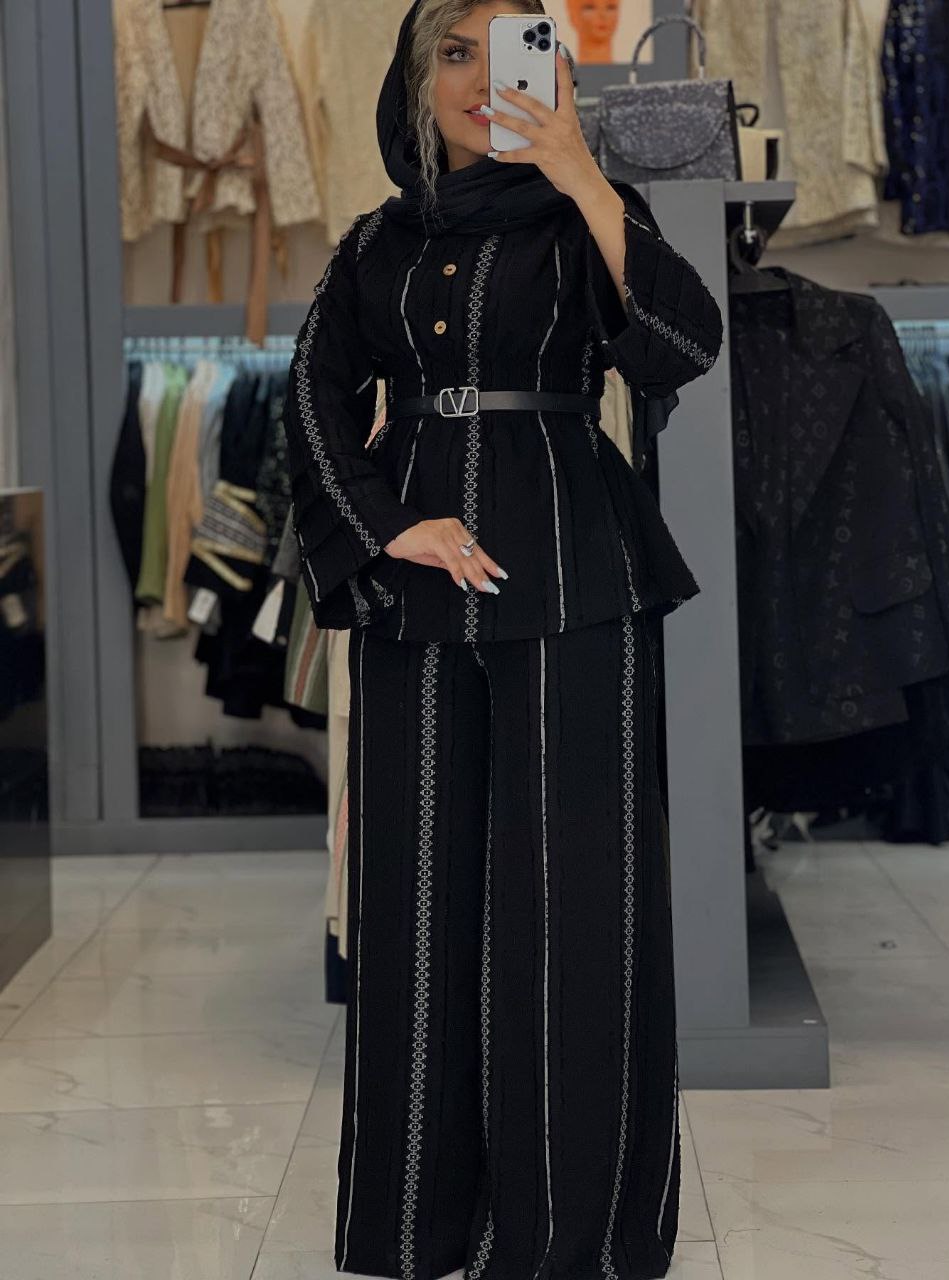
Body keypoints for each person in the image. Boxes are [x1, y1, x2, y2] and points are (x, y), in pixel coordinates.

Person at [282, 2, 723, 1276]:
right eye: (453, 54)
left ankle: (570, 1237)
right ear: (415, 82)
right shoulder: (376, 243)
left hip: (575, 569)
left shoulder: (585, 218)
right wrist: (385, 527)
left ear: (557, 74)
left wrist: (582, 171)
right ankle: (419, 1225)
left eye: (511, 53)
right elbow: (311, 397)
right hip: (417, 587)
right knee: (416, 899)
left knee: (578, 902)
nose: (481, 80)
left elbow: (683, 341)